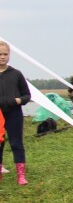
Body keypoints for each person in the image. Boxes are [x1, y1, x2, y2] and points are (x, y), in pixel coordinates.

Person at [0, 40, 31, 184]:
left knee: (16, 142)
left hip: (14, 112)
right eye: (0, 54)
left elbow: (27, 95)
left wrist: (18, 101)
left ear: (9, 55)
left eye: (5, 54)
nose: (2, 57)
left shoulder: (16, 74)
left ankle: (21, 174)